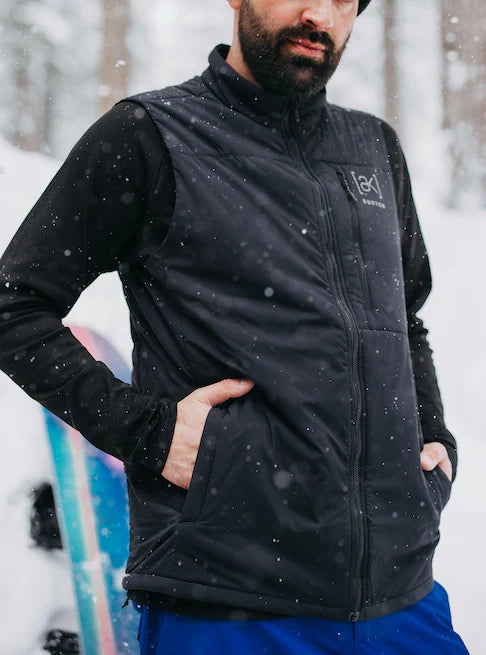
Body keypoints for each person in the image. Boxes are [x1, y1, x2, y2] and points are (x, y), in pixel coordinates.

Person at [0, 0, 470, 653]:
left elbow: (404, 318)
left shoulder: (373, 150)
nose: (319, 14)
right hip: (226, 605)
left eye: (344, 0)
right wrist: (150, 432)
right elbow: (15, 304)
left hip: (401, 599)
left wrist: (432, 440)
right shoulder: (149, 136)